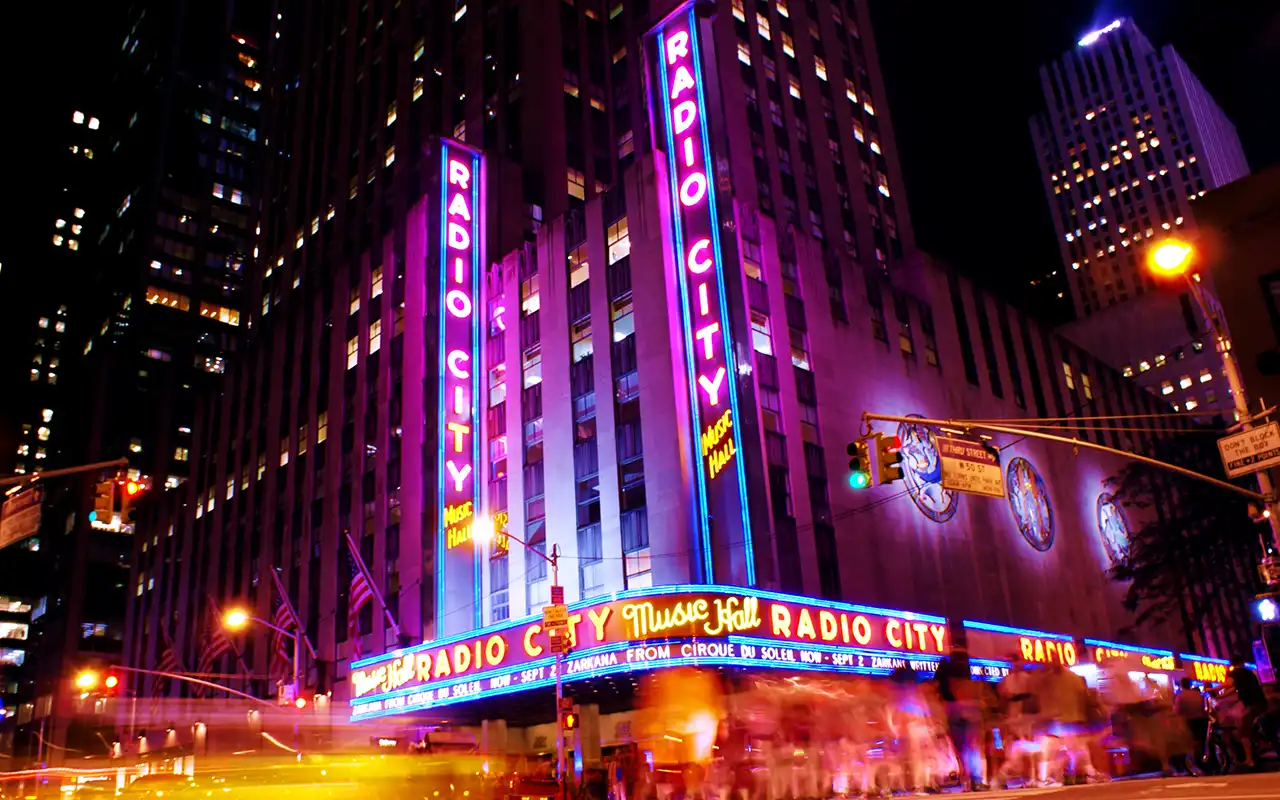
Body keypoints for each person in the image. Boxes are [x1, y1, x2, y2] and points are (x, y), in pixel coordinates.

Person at [1226, 659, 1267, 769]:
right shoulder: (1248, 674)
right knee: (1246, 726)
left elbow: (1229, 685)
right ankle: (1259, 742)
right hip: (1258, 703)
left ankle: (1249, 759)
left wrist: (1211, 688)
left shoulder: (1236, 673)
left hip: (1254, 705)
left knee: (1243, 731)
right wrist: (1219, 696)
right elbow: (1234, 688)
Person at [1174, 678, 1207, 775]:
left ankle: (1191, 765)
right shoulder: (1198, 695)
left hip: (1189, 722)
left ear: (1181, 685)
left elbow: (1177, 711)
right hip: (1201, 721)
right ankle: (1204, 763)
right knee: (1201, 743)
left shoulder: (1180, 697)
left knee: (1188, 744)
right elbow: (1203, 708)